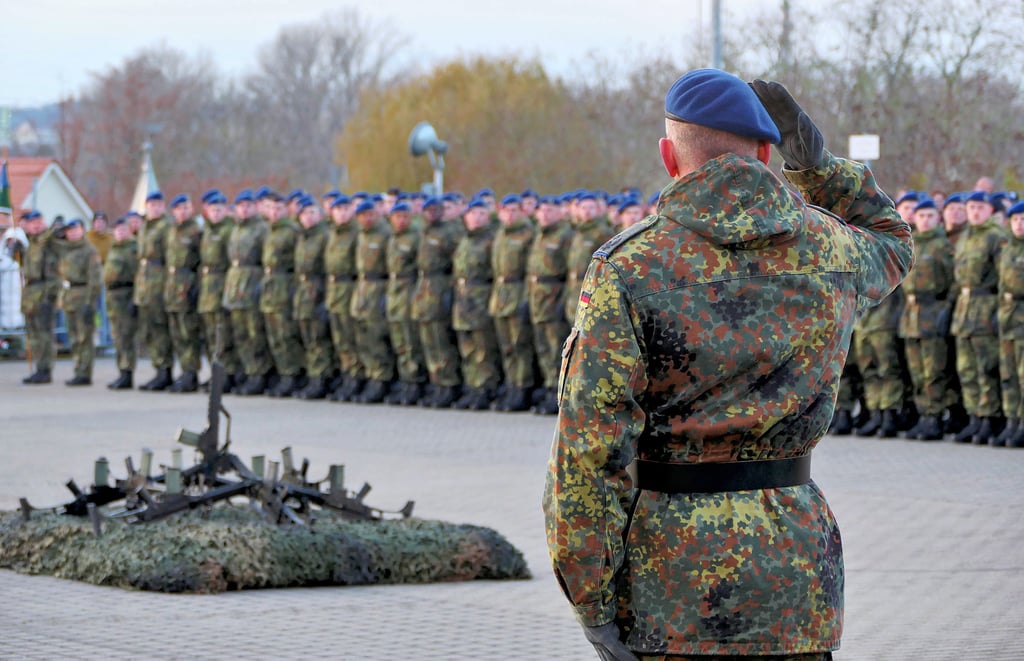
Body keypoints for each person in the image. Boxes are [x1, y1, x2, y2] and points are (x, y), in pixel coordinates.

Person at [543, 70, 913, 660]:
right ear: (766, 151)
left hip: (670, 587)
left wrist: (590, 601)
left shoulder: (630, 267)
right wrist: (816, 165)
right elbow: (893, 237)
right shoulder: (832, 250)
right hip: (795, 580)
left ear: (670, 157)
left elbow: (589, 453)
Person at [951, 191, 1008, 444]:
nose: (975, 211)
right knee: (967, 368)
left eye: (980, 207)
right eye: (971, 206)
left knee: (987, 369)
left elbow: (1004, 278)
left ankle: (989, 418)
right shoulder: (964, 237)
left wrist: (999, 312)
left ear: (989, 211)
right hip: (964, 309)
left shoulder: (996, 237)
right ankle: (974, 416)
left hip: (985, 307)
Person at [898, 199, 955, 440]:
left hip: (933, 312)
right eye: (921, 216)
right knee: (917, 371)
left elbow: (953, 281)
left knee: (934, 370)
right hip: (912, 314)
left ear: (938, 218)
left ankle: (934, 416)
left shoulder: (943, 246)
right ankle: (923, 414)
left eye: (930, 216)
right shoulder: (911, 244)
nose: (925, 220)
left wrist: (945, 308)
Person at [410, 196, 464, 408]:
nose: (432, 214)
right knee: (428, 340)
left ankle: (448, 383)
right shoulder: (422, 232)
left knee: (441, 341)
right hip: (424, 288)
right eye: (428, 211)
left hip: (439, 286)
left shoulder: (450, 233)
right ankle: (436, 382)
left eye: (435, 210)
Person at [451, 199, 502, 410]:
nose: (476, 218)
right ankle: (472, 385)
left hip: (481, 296)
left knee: (483, 347)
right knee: (468, 346)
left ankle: (485, 388)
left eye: (481, 214)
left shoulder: (491, 240)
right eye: (472, 214)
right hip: (463, 298)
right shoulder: (464, 240)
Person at [489, 193, 536, 411]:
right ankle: (511, 385)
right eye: (505, 211)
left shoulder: (528, 235)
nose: (509, 215)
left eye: (514, 211)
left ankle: (522, 387)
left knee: (520, 344)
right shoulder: (500, 235)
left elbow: (530, 270)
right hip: (501, 294)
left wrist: (526, 298)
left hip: (518, 291)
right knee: (506, 345)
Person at [526, 195, 572, 415]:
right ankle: (548, 386)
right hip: (538, 299)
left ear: (558, 213)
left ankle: (559, 391)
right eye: (541, 211)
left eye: (549, 210)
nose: (544, 214)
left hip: (554, 296)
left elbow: (568, 273)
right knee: (543, 347)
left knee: (556, 349)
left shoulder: (565, 236)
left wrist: (563, 300)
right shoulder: (539, 236)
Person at [223, 189, 272, 395]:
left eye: (248, 206)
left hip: (252, 284)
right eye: (240, 206)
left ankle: (258, 374)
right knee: (240, 333)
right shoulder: (236, 229)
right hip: (235, 286)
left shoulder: (262, 229)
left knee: (255, 334)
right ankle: (246, 371)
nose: (244, 210)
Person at [350, 200, 395, 403]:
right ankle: (370, 375)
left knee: (377, 335)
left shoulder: (385, 234)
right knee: (362, 335)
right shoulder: (359, 235)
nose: (366, 218)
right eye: (362, 215)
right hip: (362, 288)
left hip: (378, 287)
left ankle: (381, 378)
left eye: (369, 214)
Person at [260, 191, 304, 398]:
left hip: (284, 285)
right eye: (271, 209)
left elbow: (298, 262)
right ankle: (282, 372)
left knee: (287, 334)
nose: (275, 213)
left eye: (279, 209)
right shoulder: (269, 230)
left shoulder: (292, 231)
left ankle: (292, 374)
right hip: (270, 286)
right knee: (274, 334)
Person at [197, 191, 240, 391]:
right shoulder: (206, 231)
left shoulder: (229, 230)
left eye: (219, 210)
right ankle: (215, 375)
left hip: (222, 284)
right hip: (207, 288)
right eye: (212, 210)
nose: (215, 213)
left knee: (223, 335)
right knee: (209, 335)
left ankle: (228, 374)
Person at [292, 197, 335, 400]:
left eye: (312, 213)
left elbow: (328, 270)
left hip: (317, 290)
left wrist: (325, 296)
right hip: (303, 291)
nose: (308, 218)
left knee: (319, 337)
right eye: (304, 214)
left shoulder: (324, 236)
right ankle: (313, 375)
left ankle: (322, 378)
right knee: (307, 336)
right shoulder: (302, 238)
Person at [324, 195, 365, 402]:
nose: (341, 213)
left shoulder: (357, 233)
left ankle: (357, 376)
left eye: (345, 209)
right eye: (337, 209)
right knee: (339, 337)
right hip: (334, 289)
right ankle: (347, 374)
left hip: (350, 287)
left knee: (352, 334)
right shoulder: (332, 233)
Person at [384, 200, 426, 405]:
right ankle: (404, 379)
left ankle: (415, 381)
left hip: (409, 288)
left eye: (404, 217)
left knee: (410, 338)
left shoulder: (416, 237)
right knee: (398, 337)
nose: (400, 221)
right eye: (396, 217)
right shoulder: (392, 238)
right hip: (394, 289)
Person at [133, 191, 175, 391]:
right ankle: (158, 368)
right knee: (150, 330)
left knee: (161, 329)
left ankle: (165, 371)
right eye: (151, 205)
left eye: (158, 204)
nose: (155, 208)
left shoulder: (166, 227)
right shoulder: (144, 228)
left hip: (159, 282)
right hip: (145, 284)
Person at [163, 194, 203, 393]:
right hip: (172, 286)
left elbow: (201, 260)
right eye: (179, 208)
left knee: (188, 331)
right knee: (177, 332)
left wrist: (197, 285)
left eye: (186, 207)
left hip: (187, 284)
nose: (183, 211)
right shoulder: (172, 231)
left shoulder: (196, 230)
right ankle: (184, 370)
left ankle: (191, 373)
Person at [56, 218, 102, 386]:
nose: (72, 233)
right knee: (73, 337)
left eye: (76, 229)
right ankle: (78, 368)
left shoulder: (89, 251)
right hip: (69, 297)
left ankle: (84, 371)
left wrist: (90, 303)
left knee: (84, 337)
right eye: (69, 230)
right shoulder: (65, 249)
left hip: (83, 295)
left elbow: (95, 279)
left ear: (83, 230)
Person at [19, 211, 61, 384]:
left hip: (43, 291)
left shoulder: (47, 241)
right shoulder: (32, 243)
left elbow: (53, 273)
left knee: (44, 333)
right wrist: (19, 252)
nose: (35, 225)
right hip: (30, 293)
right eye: (32, 222)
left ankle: (45, 369)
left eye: (38, 221)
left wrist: (49, 298)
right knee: (34, 333)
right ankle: (39, 368)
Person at [995, 200, 1024, 448]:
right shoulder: (1008, 249)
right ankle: (1012, 421)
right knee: (1009, 375)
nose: (1019, 224)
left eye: (1023, 220)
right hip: (1008, 319)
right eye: (1015, 220)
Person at [103, 217, 138, 389]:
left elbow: (137, 276)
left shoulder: (132, 249)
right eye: (117, 230)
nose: (120, 233)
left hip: (125, 293)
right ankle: (121, 371)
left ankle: (127, 372)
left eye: (123, 229)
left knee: (125, 336)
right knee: (117, 336)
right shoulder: (115, 248)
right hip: (113, 296)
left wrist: (135, 298)